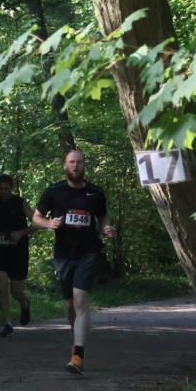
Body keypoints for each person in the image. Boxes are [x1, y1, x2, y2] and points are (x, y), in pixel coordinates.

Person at [32, 150, 116, 374]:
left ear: (84, 165)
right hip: (63, 254)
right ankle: (76, 338)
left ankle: (78, 356)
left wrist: (106, 227)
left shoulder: (95, 192)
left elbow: (103, 216)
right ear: (65, 165)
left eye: (79, 162)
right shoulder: (54, 191)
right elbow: (36, 217)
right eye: (72, 162)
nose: (76, 166)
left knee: (80, 302)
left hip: (88, 252)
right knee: (70, 305)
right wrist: (49, 224)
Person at [0, 174, 36, 337]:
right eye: (1, 189)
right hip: (0, 251)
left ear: (11, 188)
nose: (4, 192)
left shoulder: (21, 203)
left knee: (16, 291)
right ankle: (7, 323)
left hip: (18, 252)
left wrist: (21, 233)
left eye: (7, 188)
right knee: (1, 286)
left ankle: (24, 303)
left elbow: (38, 222)